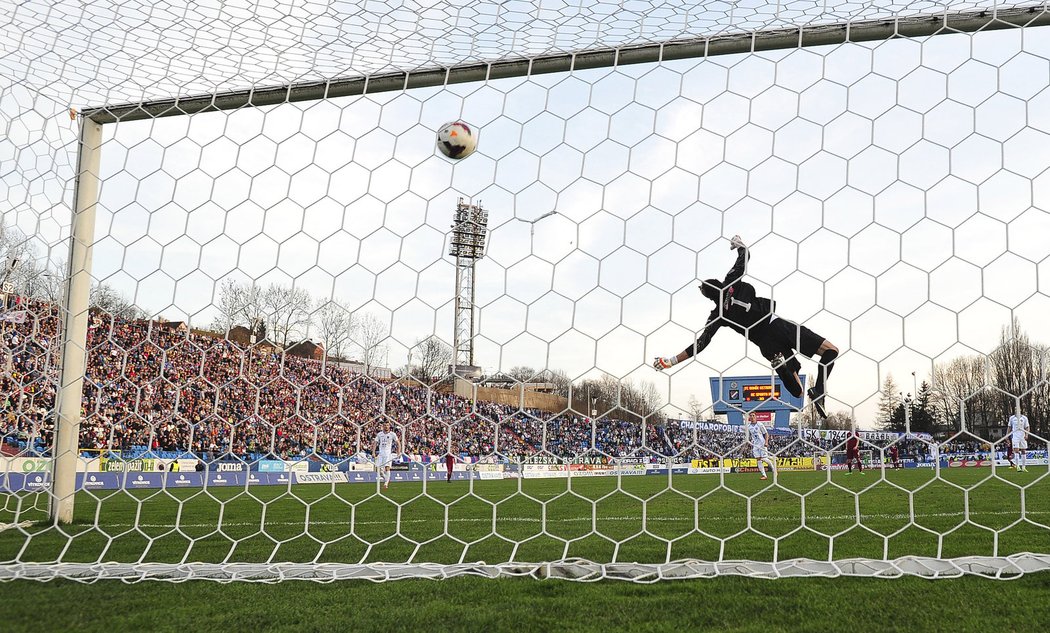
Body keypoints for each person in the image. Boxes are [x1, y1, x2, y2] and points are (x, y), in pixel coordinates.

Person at [652, 235, 838, 418]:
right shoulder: (730, 282)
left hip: (766, 345)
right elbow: (744, 258)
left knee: (797, 392)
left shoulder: (718, 315)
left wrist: (672, 361)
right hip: (776, 325)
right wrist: (739, 244)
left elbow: (701, 344)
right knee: (831, 350)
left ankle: (781, 366)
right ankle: (819, 392)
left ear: (708, 297)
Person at [745, 413, 776, 481]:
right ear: (749, 417)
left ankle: (774, 470)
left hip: (762, 444)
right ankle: (764, 475)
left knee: (764, 459)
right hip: (755, 445)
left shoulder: (760, 424)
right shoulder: (748, 426)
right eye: (751, 416)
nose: (752, 417)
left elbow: (766, 433)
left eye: (753, 415)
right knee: (758, 460)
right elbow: (749, 436)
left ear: (756, 417)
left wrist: (766, 442)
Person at [374, 422, 400, 490]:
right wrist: (373, 452)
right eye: (385, 425)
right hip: (380, 454)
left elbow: (398, 443)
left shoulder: (392, 434)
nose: (386, 426)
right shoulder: (379, 434)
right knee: (377, 469)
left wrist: (398, 452)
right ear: (383, 426)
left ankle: (386, 484)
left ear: (389, 426)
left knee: (387, 468)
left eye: (387, 425)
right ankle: (386, 478)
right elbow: (375, 443)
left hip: (388, 454)